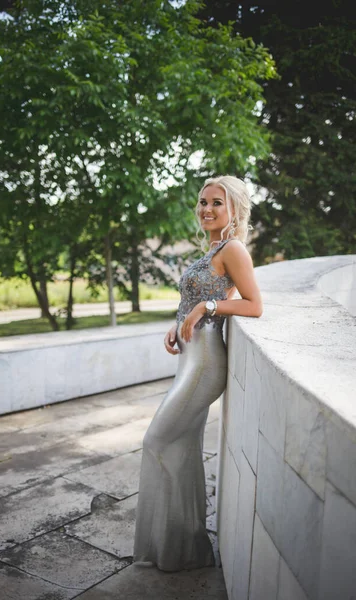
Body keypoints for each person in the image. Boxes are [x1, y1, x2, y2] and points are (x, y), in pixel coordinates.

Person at [133, 175, 263, 572]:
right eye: (203, 201)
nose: (206, 208)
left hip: (206, 362)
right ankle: (180, 549)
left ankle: (179, 544)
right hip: (188, 355)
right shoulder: (214, 247)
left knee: (156, 439)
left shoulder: (234, 249)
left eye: (216, 203)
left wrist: (206, 308)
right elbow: (195, 297)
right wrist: (178, 323)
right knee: (181, 446)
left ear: (234, 209)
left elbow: (254, 305)